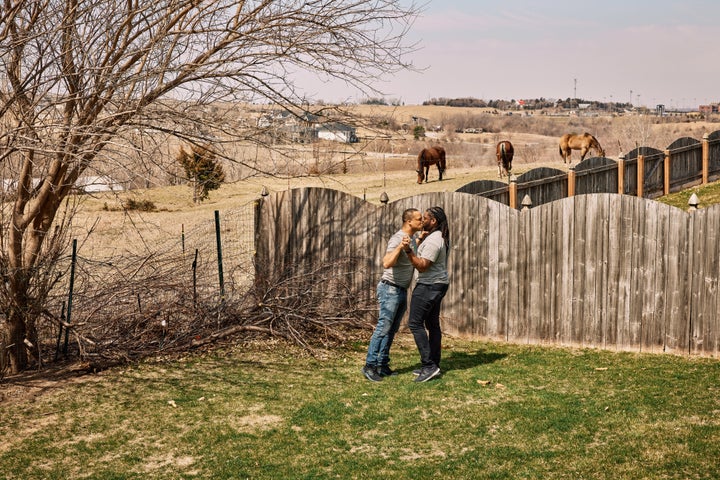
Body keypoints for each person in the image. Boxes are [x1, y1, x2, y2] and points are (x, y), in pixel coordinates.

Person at [362, 208, 423, 382]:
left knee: (391, 330)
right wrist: (400, 247)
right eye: (419, 219)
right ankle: (369, 365)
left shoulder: (410, 238)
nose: (421, 221)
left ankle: (382, 364)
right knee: (383, 328)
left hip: (401, 289)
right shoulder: (398, 238)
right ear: (409, 221)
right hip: (390, 289)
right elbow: (386, 262)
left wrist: (417, 240)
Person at [405, 206, 450, 383]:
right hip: (437, 284)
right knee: (432, 324)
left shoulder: (434, 240)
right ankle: (434, 364)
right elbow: (424, 256)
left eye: (425, 218)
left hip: (429, 286)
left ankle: (429, 365)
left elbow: (423, 265)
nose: (422, 220)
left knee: (415, 323)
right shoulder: (435, 237)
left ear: (434, 222)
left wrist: (408, 250)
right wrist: (418, 243)